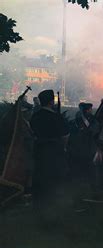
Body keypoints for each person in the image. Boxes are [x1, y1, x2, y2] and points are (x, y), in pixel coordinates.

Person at [30, 90, 70, 219]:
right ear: (50, 102)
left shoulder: (35, 116)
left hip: (39, 152)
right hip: (54, 153)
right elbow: (65, 136)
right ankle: (52, 209)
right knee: (53, 181)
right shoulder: (56, 117)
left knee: (40, 178)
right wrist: (62, 147)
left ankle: (38, 207)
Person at [68, 102, 98, 180]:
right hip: (81, 146)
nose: (91, 110)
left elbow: (96, 130)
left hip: (90, 146)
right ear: (87, 110)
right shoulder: (78, 120)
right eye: (90, 109)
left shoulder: (93, 119)